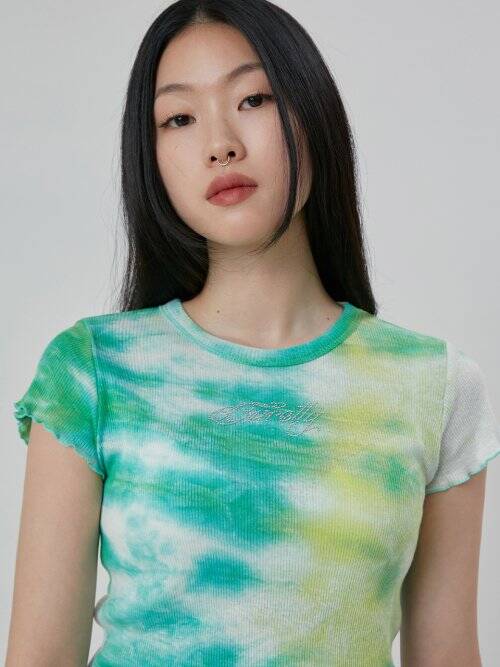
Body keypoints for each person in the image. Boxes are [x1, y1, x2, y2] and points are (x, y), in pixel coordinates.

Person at [6, 1, 500, 665]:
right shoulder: (92, 371)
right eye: (179, 118)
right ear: (151, 158)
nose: (220, 143)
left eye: (254, 99)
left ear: (313, 115)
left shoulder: (435, 386)